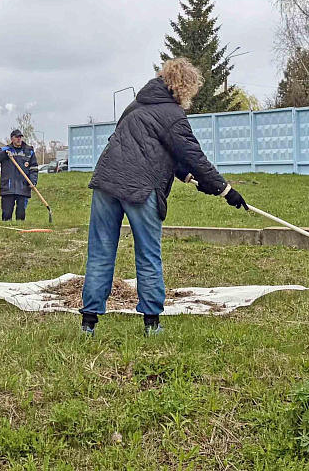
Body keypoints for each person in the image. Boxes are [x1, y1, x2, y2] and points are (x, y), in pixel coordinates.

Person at [81, 58, 247, 337]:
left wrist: (186, 177)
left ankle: (88, 323)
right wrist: (225, 189)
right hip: (140, 188)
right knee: (147, 254)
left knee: (100, 251)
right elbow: (193, 155)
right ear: (185, 87)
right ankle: (151, 323)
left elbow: (154, 147)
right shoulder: (172, 114)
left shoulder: (135, 106)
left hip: (106, 181)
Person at [0, 128, 38, 221]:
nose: (19, 139)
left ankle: (20, 230)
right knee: (6, 214)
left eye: (20, 137)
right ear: (12, 139)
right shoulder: (5, 150)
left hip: (23, 187)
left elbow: (33, 168)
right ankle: (7, 230)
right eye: (16, 137)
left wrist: (33, 181)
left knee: (21, 214)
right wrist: (3, 154)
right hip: (8, 187)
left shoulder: (29, 151)